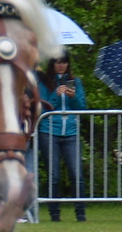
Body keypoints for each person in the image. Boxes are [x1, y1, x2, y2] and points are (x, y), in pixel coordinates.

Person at [35, 53, 87, 221]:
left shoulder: (75, 82)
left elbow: (83, 108)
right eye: (57, 62)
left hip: (70, 132)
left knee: (76, 174)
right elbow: (43, 108)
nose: (61, 65)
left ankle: (80, 213)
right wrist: (56, 96)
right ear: (52, 63)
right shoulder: (44, 82)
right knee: (54, 175)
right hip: (49, 131)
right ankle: (54, 214)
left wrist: (73, 97)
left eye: (64, 62)